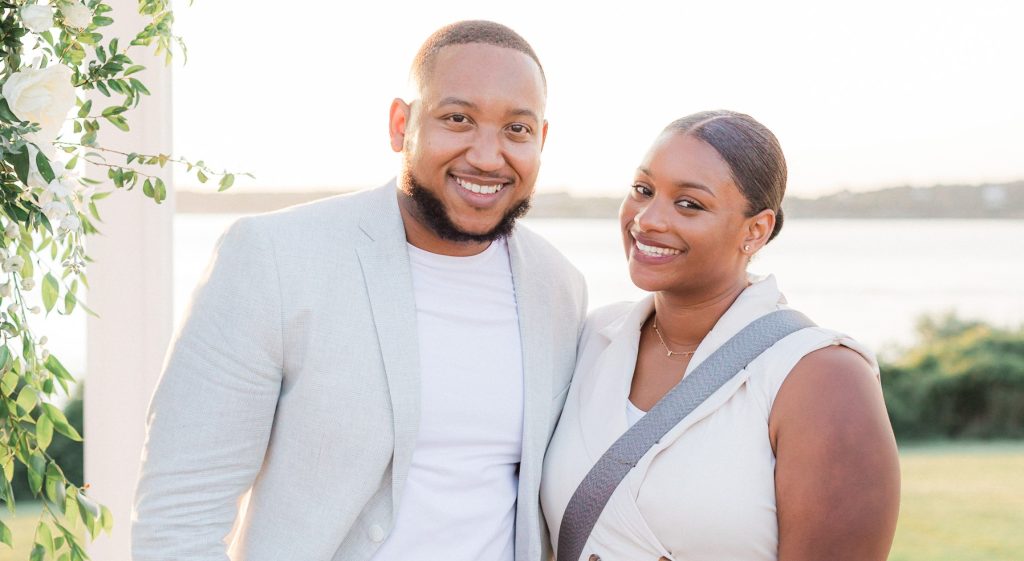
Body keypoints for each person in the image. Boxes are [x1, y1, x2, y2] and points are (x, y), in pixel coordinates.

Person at [132, 21, 587, 561]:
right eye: (458, 119)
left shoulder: (559, 287)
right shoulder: (274, 259)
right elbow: (178, 516)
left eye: (517, 129)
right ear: (402, 124)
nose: (488, 156)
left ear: (542, 140)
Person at [541, 110, 900, 561]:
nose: (647, 219)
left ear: (756, 230)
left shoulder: (822, 376)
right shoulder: (592, 339)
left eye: (689, 203)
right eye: (643, 190)